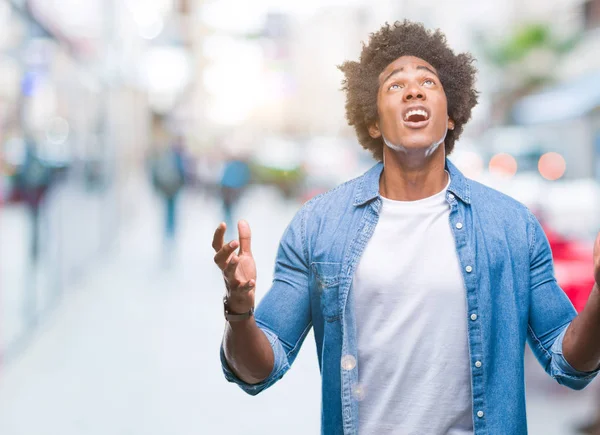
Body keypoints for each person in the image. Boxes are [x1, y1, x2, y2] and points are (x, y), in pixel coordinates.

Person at [212, 21, 600, 434]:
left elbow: (570, 362)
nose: (413, 90)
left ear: (451, 116)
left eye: (428, 82)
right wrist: (239, 310)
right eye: (395, 85)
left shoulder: (512, 227)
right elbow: (257, 371)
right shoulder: (318, 226)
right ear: (374, 122)